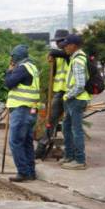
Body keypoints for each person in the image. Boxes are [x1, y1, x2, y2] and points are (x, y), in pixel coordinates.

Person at [4, 45, 40, 182]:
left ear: (16, 57)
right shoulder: (33, 67)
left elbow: (8, 83)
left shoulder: (22, 68)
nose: (11, 59)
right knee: (26, 142)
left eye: (12, 57)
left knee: (16, 142)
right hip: (31, 109)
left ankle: (23, 172)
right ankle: (30, 172)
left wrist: (9, 71)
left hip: (22, 110)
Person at [35, 29, 69, 158]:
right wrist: (52, 63)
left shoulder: (71, 53)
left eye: (60, 41)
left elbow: (64, 55)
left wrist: (52, 53)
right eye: (57, 42)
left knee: (68, 123)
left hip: (70, 93)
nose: (58, 44)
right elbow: (55, 73)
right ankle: (41, 148)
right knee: (51, 119)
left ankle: (70, 151)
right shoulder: (59, 55)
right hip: (59, 92)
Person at [60, 34, 91, 170]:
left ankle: (79, 160)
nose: (65, 47)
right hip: (74, 99)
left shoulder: (78, 60)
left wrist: (68, 96)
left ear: (74, 45)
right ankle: (70, 156)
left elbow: (80, 85)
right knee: (66, 128)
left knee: (76, 130)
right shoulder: (75, 58)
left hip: (76, 100)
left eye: (67, 45)